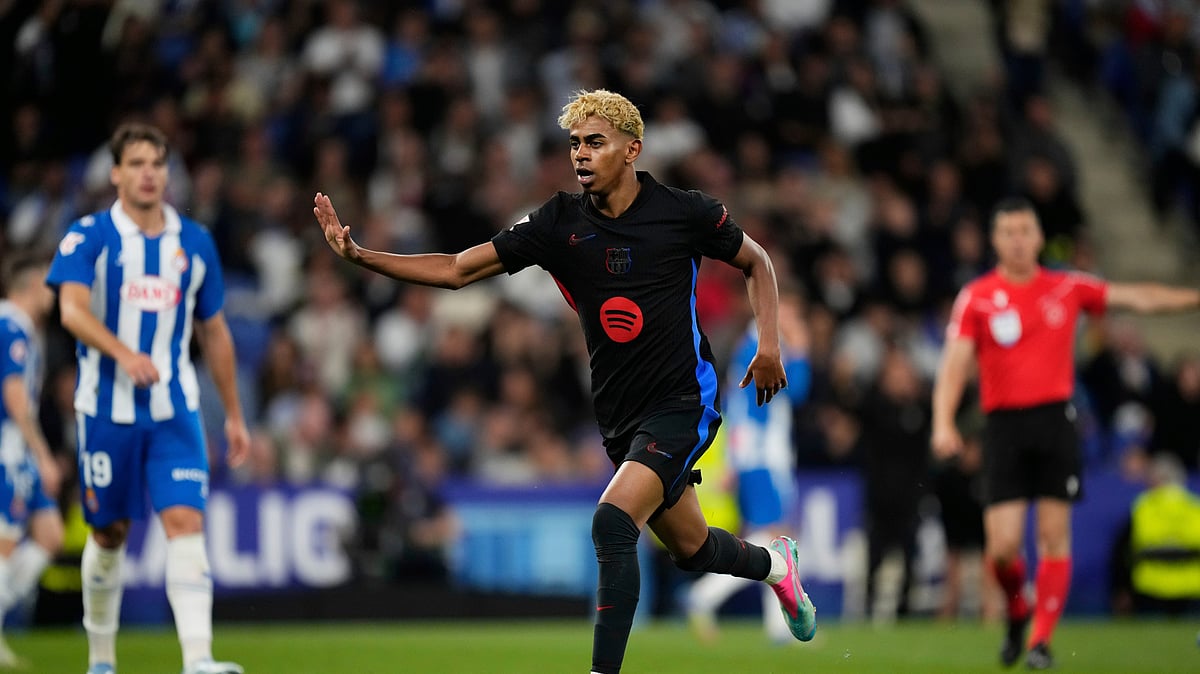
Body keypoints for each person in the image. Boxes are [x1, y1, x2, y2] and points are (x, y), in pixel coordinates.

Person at [315, 89, 817, 674]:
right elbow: (456, 269)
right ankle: (777, 567)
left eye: (595, 143)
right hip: (620, 418)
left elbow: (757, 261)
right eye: (575, 143)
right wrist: (361, 256)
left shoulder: (684, 211)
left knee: (611, 521)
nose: (580, 154)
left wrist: (770, 343)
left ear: (632, 150)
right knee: (692, 548)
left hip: (686, 400)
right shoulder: (557, 222)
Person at [931, 196, 1200, 670]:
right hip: (1003, 427)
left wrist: (1193, 297)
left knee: (1055, 537)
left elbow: (1138, 297)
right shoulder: (977, 296)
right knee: (1002, 550)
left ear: (1038, 237)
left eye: (1025, 230)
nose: (1017, 240)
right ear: (995, 241)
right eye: (1008, 232)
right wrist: (943, 421)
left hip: (1056, 422)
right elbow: (954, 366)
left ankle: (1040, 642)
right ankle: (1018, 609)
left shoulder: (1066, 287)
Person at [46, 123, 249, 674]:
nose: (148, 174)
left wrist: (232, 413)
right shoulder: (87, 237)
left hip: (174, 411)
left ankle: (199, 659)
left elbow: (215, 331)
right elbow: (71, 310)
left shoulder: (195, 242)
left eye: (157, 163)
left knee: (185, 522)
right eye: (136, 163)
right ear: (115, 174)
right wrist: (122, 353)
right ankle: (102, 659)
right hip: (106, 410)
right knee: (109, 534)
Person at [685, 288, 811, 643]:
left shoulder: (750, 346)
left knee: (773, 538)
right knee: (775, 538)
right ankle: (706, 597)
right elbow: (797, 389)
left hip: (756, 455)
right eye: (790, 313)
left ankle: (769, 622)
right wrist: (801, 348)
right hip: (762, 456)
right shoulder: (763, 348)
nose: (794, 321)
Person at [0, 256, 65, 668]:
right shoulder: (11, 325)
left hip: (18, 448)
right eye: (46, 284)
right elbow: (13, 394)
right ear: (30, 285)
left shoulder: (21, 328)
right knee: (4, 545)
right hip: (9, 448)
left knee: (49, 534)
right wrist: (42, 452)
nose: (51, 292)